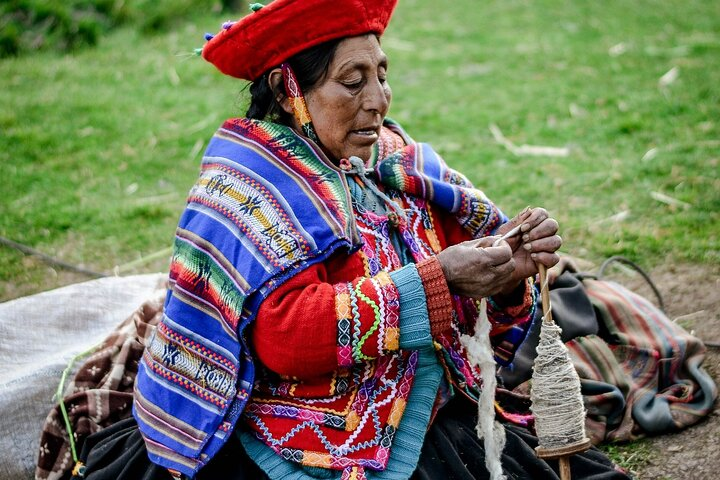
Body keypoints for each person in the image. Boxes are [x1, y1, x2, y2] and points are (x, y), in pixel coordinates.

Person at [70, 1, 630, 479]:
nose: (379, 100)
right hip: (279, 429)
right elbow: (282, 337)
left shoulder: (395, 162)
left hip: (410, 403)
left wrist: (508, 271)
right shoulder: (246, 187)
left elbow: (470, 269)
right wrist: (440, 278)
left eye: (382, 75)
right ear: (289, 90)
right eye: (352, 82)